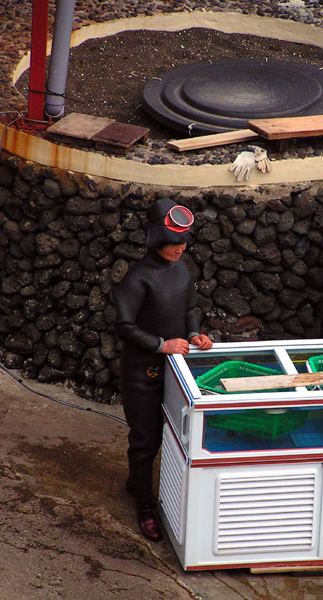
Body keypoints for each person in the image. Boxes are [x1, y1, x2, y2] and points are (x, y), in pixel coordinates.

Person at [112, 198, 212, 541]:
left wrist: (195, 334)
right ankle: (145, 506)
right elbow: (123, 325)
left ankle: (135, 482)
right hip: (141, 371)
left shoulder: (181, 272)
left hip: (173, 371)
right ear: (155, 239)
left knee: (168, 434)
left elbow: (189, 308)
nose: (178, 249)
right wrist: (161, 344)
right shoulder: (138, 277)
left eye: (183, 243)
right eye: (172, 243)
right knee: (145, 439)